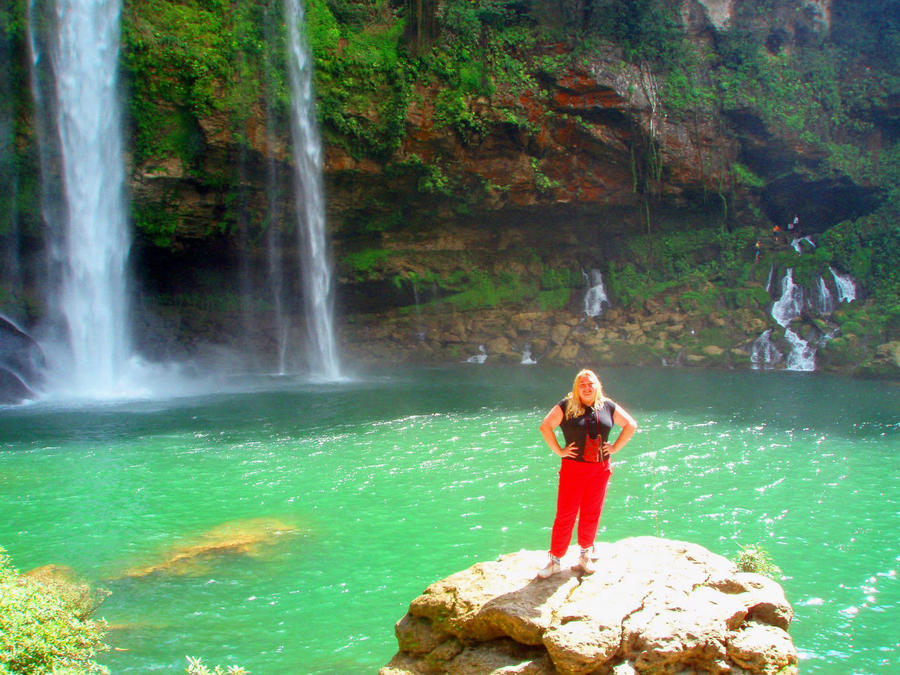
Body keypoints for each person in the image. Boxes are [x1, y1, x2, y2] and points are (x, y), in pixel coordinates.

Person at [537, 368, 637, 578]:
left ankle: (585, 555)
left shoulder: (607, 406)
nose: (587, 387)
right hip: (573, 469)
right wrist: (560, 451)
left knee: (592, 512)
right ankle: (555, 559)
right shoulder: (566, 406)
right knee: (566, 513)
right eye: (582, 384)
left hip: (600, 469)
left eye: (590, 383)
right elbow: (545, 426)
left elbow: (630, 425)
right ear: (577, 387)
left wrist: (615, 448)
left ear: (597, 385)